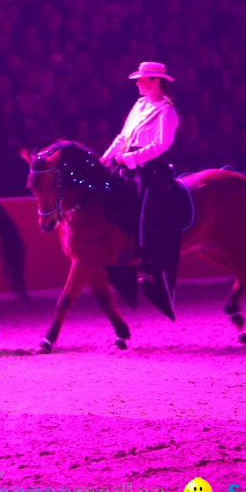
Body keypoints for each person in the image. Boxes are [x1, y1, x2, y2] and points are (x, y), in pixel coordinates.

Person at [100, 61, 181, 319]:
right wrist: (107, 157)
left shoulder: (167, 112)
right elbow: (122, 136)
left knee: (146, 204)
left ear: (156, 81)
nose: (137, 83)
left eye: (142, 79)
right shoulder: (139, 105)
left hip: (149, 168)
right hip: (127, 162)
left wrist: (131, 159)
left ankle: (148, 257)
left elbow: (161, 145)